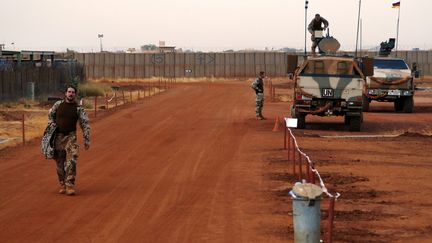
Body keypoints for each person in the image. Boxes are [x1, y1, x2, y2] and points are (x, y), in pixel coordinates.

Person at [47, 85, 90, 195]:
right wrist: (51, 124)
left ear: (75, 94)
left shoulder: (78, 108)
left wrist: (86, 139)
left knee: (72, 160)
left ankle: (70, 185)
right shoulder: (58, 105)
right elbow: (50, 115)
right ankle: (62, 184)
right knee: (60, 163)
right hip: (58, 137)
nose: (71, 94)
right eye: (69, 92)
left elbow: (85, 124)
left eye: (73, 92)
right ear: (65, 93)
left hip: (71, 137)